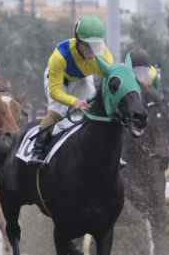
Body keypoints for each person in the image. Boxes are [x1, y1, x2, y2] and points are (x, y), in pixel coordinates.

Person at [31, 14, 114, 161]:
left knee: (92, 111)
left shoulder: (104, 55)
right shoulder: (59, 56)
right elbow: (55, 91)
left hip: (82, 78)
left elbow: (110, 81)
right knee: (58, 112)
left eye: (97, 45)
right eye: (88, 45)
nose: (93, 51)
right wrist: (74, 102)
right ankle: (38, 147)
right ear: (78, 41)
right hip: (58, 80)